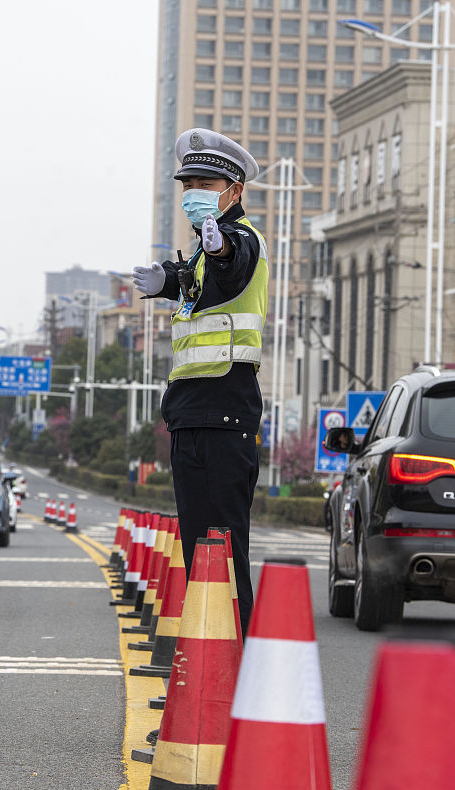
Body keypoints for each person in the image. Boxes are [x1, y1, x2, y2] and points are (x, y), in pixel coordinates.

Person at [131, 128, 267, 637]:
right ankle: (207, 684)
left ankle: (234, 681)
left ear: (232, 189)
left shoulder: (240, 239)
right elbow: (198, 286)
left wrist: (222, 245)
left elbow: (234, 268)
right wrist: (168, 279)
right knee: (199, 554)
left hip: (224, 410)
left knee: (223, 551)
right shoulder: (201, 250)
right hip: (192, 413)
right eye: (187, 181)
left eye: (204, 182)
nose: (193, 191)